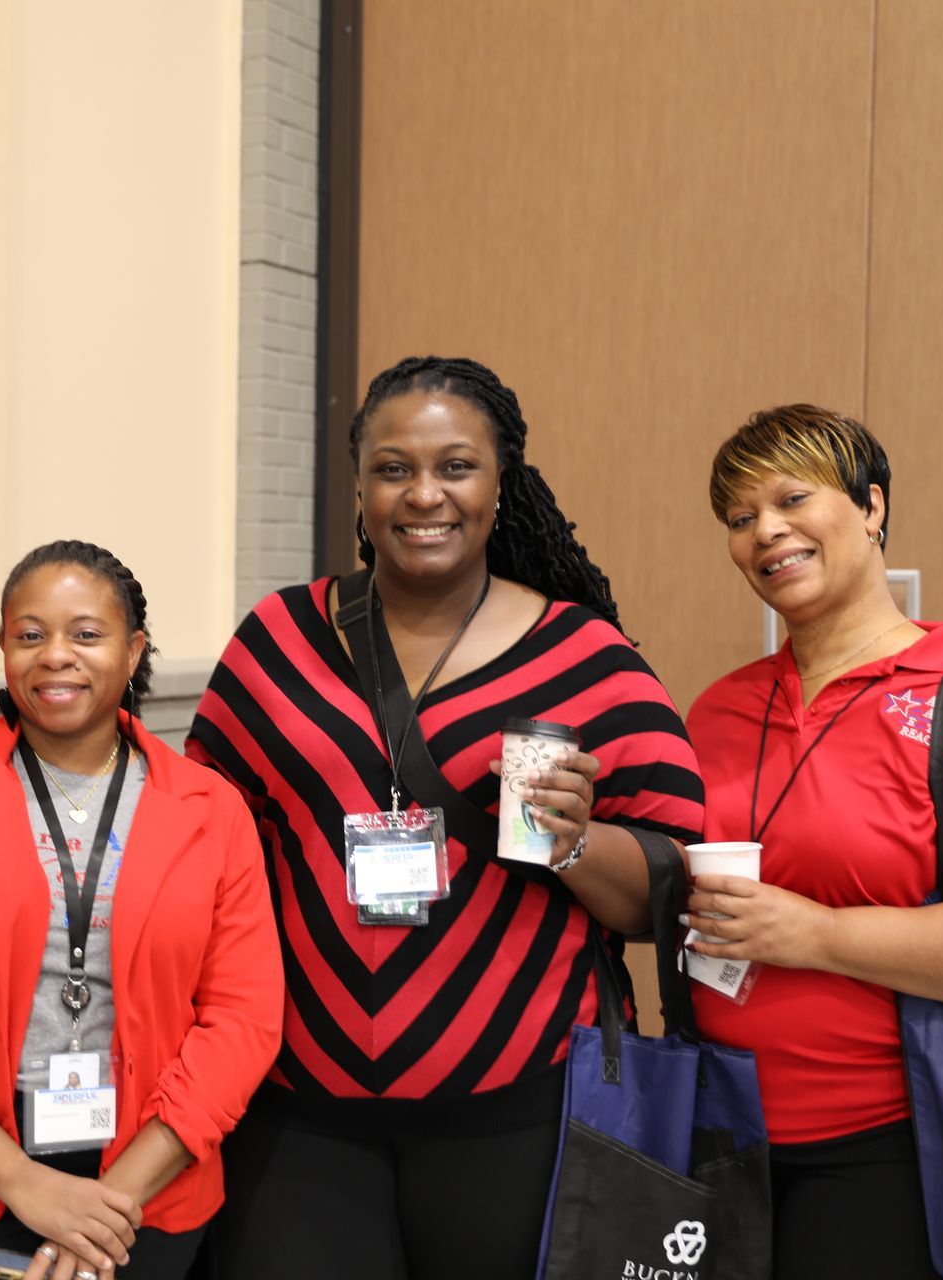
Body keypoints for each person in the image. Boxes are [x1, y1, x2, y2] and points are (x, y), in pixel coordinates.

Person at [185, 355, 705, 1279]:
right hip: (301, 1110)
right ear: (360, 486)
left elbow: (668, 889)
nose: (425, 494)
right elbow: (202, 849)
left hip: (517, 1109)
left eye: (456, 466)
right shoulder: (276, 642)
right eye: (394, 468)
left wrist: (573, 839)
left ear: (501, 482)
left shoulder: (584, 658)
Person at [685, 405, 943, 1279]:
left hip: (897, 1149)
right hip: (718, 1135)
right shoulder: (719, 709)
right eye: (739, 517)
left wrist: (819, 935)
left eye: (792, 498)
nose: (766, 531)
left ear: (873, 507)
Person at [0, 541, 282, 1280]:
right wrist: (24, 1184)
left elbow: (243, 1020)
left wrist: (110, 1202)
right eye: (29, 635)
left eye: (86, 634)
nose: (55, 656)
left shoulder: (210, 809)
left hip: (144, 1192)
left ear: (135, 648)